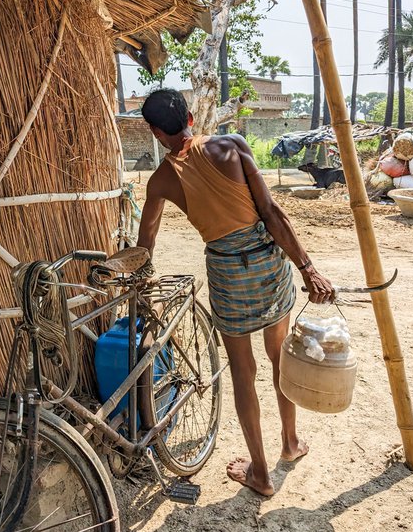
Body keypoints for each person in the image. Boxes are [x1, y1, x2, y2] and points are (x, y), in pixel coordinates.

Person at [136, 89, 334, 497]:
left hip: (227, 276)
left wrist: (141, 279)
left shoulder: (160, 182)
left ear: (155, 132)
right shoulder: (232, 146)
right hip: (267, 266)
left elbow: (146, 242)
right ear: (191, 117)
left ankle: (260, 472)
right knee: (280, 357)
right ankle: (291, 443)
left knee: (243, 374)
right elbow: (271, 213)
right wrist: (307, 268)